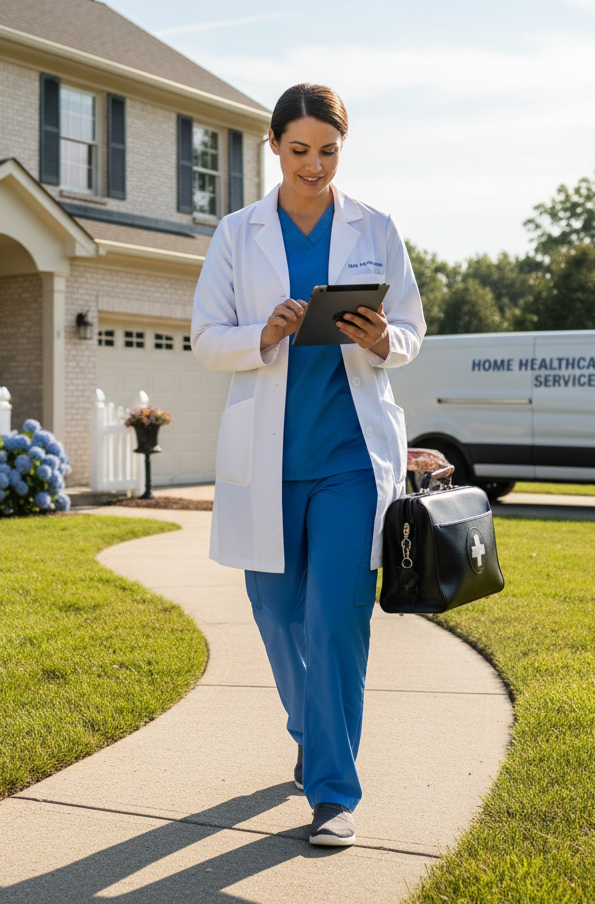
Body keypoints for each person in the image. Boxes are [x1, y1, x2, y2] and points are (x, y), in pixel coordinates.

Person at [191, 83, 425, 846]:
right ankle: (311, 726)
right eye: (300, 151)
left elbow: (413, 332)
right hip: (268, 461)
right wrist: (265, 331)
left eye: (328, 151)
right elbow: (204, 336)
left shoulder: (375, 227)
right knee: (276, 614)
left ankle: (333, 792)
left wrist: (378, 339)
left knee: (335, 621)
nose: (315, 165)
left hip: (351, 462)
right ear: (274, 148)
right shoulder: (237, 232)